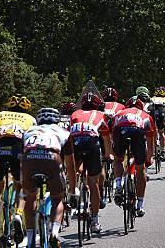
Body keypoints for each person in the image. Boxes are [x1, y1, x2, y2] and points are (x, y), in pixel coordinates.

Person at [22, 108, 75, 248]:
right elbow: (70, 164)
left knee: (30, 197)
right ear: (57, 120)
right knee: (57, 198)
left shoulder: (29, 130)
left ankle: (30, 237)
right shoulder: (64, 132)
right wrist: (73, 189)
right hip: (51, 157)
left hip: (29, 158)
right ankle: (54, 233)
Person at [0, 95, 36, 247]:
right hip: (17, 150)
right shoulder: (30, 119)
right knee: (21, 185)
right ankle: (18, 214)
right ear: (26, 108)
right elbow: (31, 141)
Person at [68, 92, 111, 233]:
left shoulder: (75, 114)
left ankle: (73, 193)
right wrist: (107, 155)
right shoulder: (100, 115)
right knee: (94, 184)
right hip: (92, 143)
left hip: (75, 142)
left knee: (73, 169)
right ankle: (95, 221)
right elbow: (106, 139)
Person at [112, 96, 155, 217]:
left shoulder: (119, 113)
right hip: (137, 132)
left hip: (120, 131)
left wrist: (115, 154)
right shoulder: (146, 115)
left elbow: (112, 136)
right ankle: (140, 205)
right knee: (140, 168)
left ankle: (119, 184)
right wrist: (148, 159)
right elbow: (150, 143)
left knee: (118, 160)